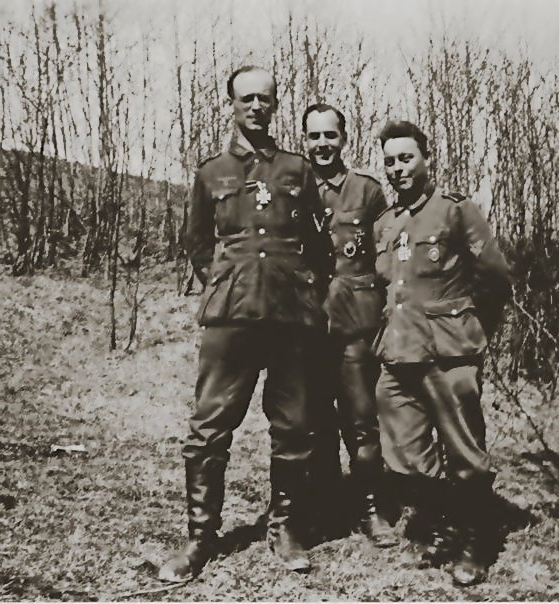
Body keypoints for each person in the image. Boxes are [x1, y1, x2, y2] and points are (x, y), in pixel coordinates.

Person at [158, 66, 332, 583]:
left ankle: (285, 528)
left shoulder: (298, 170)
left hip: (289, 315)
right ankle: (199, 537)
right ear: (231, 104)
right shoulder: (212, 171)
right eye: (246, 98)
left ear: (275, 105)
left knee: (294, 427)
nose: (256, 106)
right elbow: (196, 242)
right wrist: (226, 280)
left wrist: (299, 287)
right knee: (210, 426)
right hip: (231, 317)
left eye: (265, 99)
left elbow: (319, 247)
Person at [372, 120, 511, 586]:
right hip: (399, 351)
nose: (397, 168)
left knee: (464, 450)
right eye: (390, 161)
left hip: (449, 354)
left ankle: (476, 539)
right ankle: (447, 518)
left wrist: (469, 331)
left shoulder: (455, 211)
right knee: (403, 448)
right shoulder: (387, 224)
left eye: (406, 158)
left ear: (427, 159)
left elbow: (495, 277)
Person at [301, 103, 396, 546]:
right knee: (314, 421)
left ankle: (371, 510)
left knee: (361, 420)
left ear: (344, 138)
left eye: (330, 135)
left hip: (355, 324)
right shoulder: (294, 186)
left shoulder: (367, 191)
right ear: (305, 139)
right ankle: (323, 509)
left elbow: (382, 259)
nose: (322, 144)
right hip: (307, 325)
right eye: (314, 136)